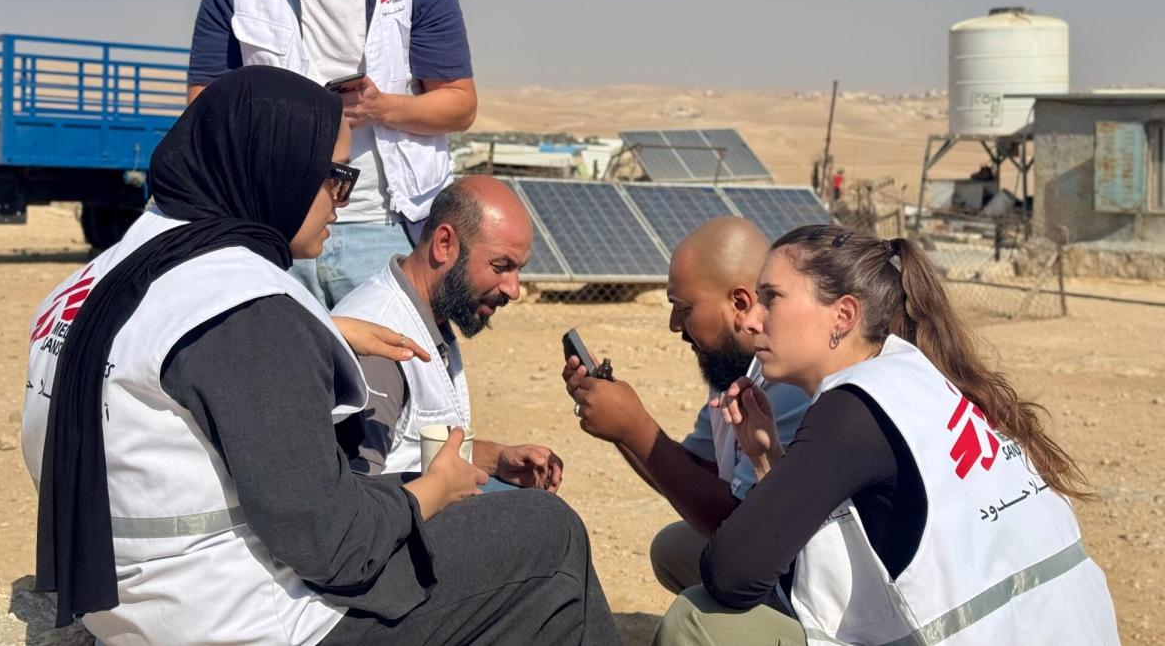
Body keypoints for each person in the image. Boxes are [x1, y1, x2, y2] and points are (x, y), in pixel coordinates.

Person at [21, 66, 617, 645]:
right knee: (549, 533)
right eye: (334, 176)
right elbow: (335, 545)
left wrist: (316, 331)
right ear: (274, 164)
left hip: (131, 602)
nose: (342, 200)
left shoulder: (92, 284)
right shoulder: (245, 307)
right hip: (239, 618)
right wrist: (432, 490)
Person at [654, 225, 1119, 645]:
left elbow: (732, 574)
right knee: (678, 550)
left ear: (843, 316)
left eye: (772, 298)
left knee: (695, 621)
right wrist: (767, 457)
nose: (752, 320)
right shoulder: (914, 377)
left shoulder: (853, 408)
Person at [187, 0, 476, 308]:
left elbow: (460, 105)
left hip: (388, 231)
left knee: (399, 361)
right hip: (275, 229)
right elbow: (203, 108)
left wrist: (381, 108)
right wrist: (287, 121)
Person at [561, 217, 809, 594]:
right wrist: (619, 425)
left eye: (683, 307)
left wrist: (634, 427)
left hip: (812, 578)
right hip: (775, 550)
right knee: (673, 549)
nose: (674, 325)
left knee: (695, 601)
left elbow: (737, 523)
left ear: (740, 303)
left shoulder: (791, 380)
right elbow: (693, 472)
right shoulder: (734, 367)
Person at [333, 176, 564, 491]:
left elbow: (413, 449)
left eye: (518, 269)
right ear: (444, 244)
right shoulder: (380, 345)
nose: (514, 289)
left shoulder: (428, 313)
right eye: (500, 266)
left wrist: (496, 459)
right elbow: (355, 499)